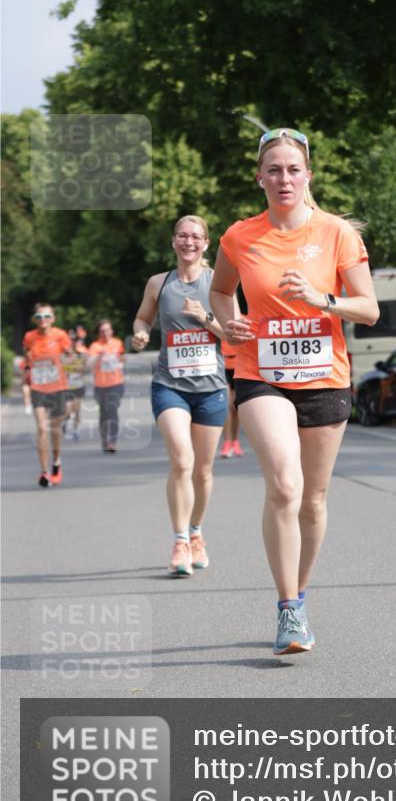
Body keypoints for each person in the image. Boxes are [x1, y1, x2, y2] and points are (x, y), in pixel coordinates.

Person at [210, 127, 378, 655]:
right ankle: (287, 608)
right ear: (259, 178)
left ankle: (300, 596)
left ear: (308, 176)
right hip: (261, 373)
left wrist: (321, 298)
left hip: (325, 376)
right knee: (284, 486)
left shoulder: (336, 233)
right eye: (274, 170)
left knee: (313, 499)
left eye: (293, 169)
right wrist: (229, 324)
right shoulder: (239, 236)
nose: (284, 178)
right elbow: (220, 291)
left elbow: (369, 309)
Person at [132, 215, 228, 577]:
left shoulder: (219, 283)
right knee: (182, 462)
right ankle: (179, 542)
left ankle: (196, 531)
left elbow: (233, 333)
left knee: (202, 471)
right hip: (169, 384)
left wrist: (205, 317)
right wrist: (141, 333)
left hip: (211, 389)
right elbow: (142, 319)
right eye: (182, 236)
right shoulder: (159, 283)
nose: (189, 242)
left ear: (206, 243)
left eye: (196, 237)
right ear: (173, 241)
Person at [22, 303, 73, 487]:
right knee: (42, 428)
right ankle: (44, 472)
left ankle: (56, 463)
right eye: (38, 317)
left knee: (55, 429)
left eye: (46, 316)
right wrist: (27, 373)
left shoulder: (60, 335)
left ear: (53, 318)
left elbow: (71, 356)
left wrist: (68, 359)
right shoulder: (29, 337)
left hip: (57, 386)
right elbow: (27, 359)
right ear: (34, 319)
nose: (42, 320)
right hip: (38, 388)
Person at [87, 320, 125, 452]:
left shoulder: (117, 343)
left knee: (113, 411)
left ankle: (112, 441)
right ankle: (104, 439)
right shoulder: (95, 346)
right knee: (104, 414)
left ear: (111, 331)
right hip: (100, 385)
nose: (105, 333)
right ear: (99, 333)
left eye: (107, 330)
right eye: (102, 331)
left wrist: (119, 362)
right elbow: (89, 365)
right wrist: (99, 356)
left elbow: (122, 359)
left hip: (116, 383)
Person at [219, 303, 244, 459]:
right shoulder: (216, 320)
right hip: (222, 366)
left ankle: (235, 441)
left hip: (239, 367)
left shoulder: (244, 319)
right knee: (226, 406)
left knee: (236, 408)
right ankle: (227, 443)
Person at [63, 324, 88, 440]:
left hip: (78, 385)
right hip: (66, 387)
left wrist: (75, 369)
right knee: (68, 410)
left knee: (77, 410)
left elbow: (84, 369)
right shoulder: (62, 355)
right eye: (69, 340)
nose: (71, 342)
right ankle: (65, 422)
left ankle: (76, 429)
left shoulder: (81, 355)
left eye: (73, 340)